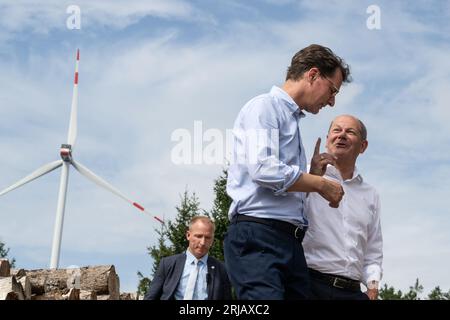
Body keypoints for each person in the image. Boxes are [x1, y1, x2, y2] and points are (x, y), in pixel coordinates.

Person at [224, 44, 351, 299]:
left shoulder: (290, 119)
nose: (332, 101)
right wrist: (319, 184)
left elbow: (282, 192)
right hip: (259, 237)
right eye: (332, 90)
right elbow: (263, 169)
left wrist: (312, 174)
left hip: (289, 242)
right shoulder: (264, 108)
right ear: (313, 75)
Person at [303, 115, 383, 300]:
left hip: (352, 292)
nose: (342, 136)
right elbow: (288, 214)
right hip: (308, 285)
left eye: (350, 132)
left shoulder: (370, 194)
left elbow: (373, 249)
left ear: (363, 146)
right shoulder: (306, 174)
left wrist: (372, 289)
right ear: (327, 140)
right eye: (337, 130)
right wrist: (311, 178)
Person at [144, 216, 232, 300]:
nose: (202, 242)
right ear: (188, 235)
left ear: (212, 239)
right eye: (198, 236)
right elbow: (151, 297)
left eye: (208, 238)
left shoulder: (222, 270)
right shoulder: (167, 264)